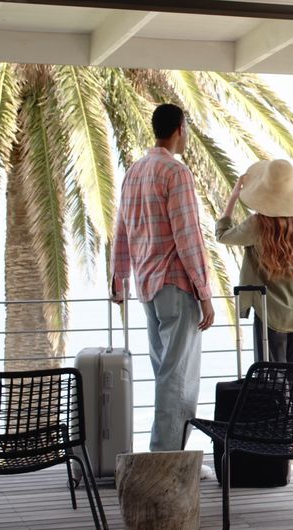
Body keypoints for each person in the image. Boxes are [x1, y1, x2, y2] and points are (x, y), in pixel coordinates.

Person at [111, 103, 216, 452]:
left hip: (147, 288)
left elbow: (122, 230)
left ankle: (170, 457)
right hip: (176, 285)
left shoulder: (134, 172)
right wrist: (204, 293)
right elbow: (188, 238)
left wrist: (118, 278)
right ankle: (167, 460)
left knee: (165, 372)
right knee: (179, 377)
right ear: (180, 128)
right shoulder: (175, 173)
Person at [216, 159, 293, 363]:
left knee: (271, 382)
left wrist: (234, 196)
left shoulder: (256, 225)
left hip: (267, 315)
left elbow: (222, 235)